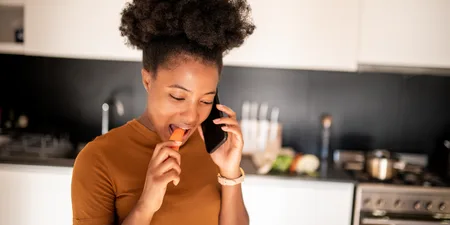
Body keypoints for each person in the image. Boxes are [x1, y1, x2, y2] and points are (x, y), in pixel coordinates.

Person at [70, 0, 255, 224]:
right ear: (148, 80)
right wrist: (147, 203)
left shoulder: (215, 150)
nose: (191, 116)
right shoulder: (98, 159)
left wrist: (230, 173)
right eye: (178, 97)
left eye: (206, 100)